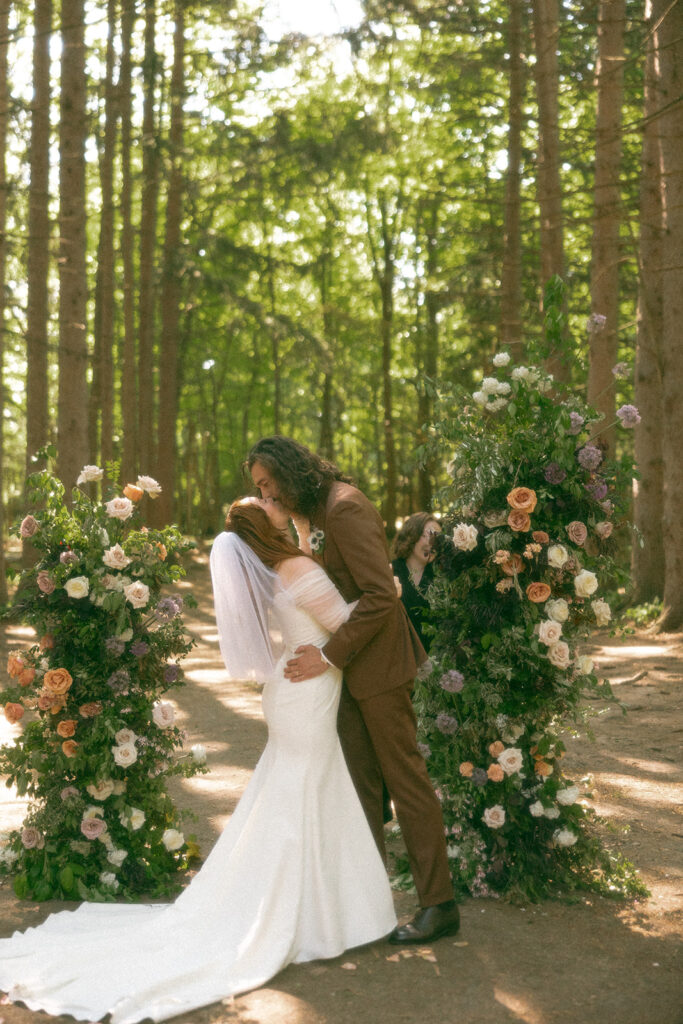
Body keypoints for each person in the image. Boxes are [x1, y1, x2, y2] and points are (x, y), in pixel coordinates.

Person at [0, 499, 397, 1024]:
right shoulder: (298, 568)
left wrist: (303, 529)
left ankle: (324, 909)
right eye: (269, 503)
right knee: (304, 792)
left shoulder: (285, 565)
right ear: (265, 527)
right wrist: (386, 587)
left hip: (292, 686)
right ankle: (306, 913)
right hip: (310, 688)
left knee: (301, 790)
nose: (277, 502)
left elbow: (306, 573)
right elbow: (348, 619)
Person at [248, 436, 460, 944]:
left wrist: (326, 655)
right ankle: (367, 904)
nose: (266, 499)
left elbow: (381, 595)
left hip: (379, 667)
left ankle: (439, 905)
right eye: (258, 491)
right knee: (361, 787)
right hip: (346, 673)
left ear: (288, 472)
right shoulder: (317, 515)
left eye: (268, 487)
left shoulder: (344, 508)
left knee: (405, 782)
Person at [391, 512, 441, 654]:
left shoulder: (441, 577)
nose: (431, 544)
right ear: (411, 536)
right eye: (426, 536)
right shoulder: (391, 571)